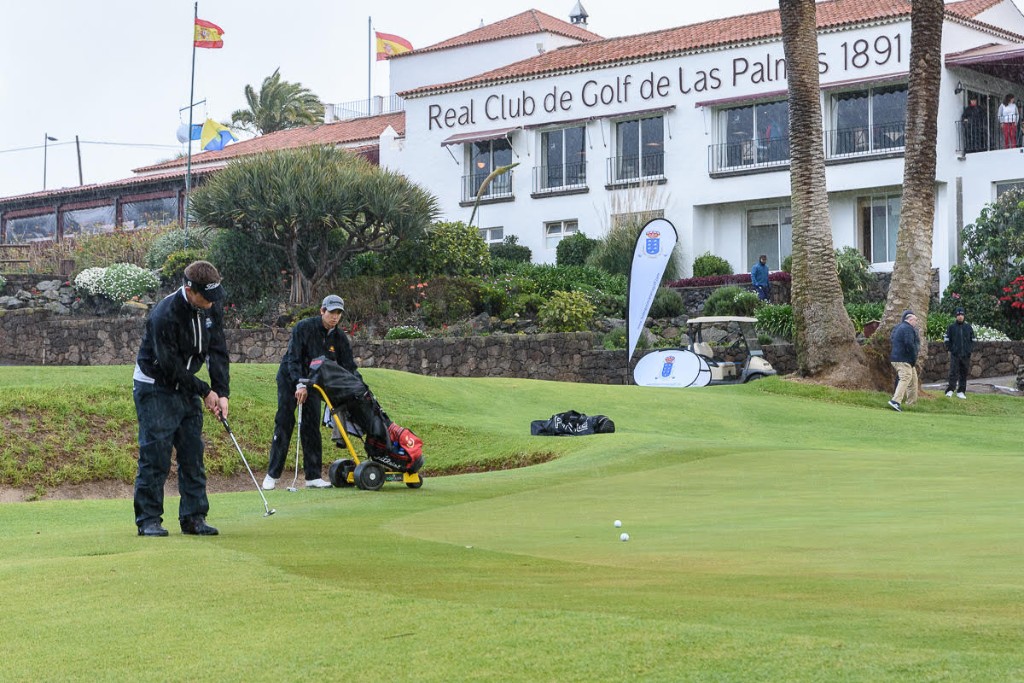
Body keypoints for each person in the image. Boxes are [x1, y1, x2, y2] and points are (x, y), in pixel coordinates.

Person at [133, 260, 229, 537]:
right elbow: (169, 367)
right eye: (206, 297)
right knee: (156, 454)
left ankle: (194, 517)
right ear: (190, 289)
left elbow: (218, 351)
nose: (212, 302)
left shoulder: (210, 307)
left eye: (214, 297)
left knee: (192, 453)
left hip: (186, 385)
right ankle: (149, 520)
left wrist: (221, 392)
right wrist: (205, 391)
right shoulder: (165, 314)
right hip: (155, 386)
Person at [263, 294, 356, 490]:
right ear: (322, 311)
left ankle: (313, 477)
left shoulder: (339, 337)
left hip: (314, 384)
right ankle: (272, 475)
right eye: (332, 312)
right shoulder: (303, 328)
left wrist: (358, 386)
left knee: (311, 426)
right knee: (284, 422)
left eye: (339, 313)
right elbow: (293, 359)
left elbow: (348, 366)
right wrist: (299, 384)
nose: (335, 317)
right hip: (290, 379)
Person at [887, 310, 920, 413]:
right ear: (910, 320)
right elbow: (909, 344)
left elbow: (892, 339)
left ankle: (911, 404)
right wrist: (913, 355)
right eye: (915, 320)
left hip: (901, 359)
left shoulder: (899, 327)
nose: (916, 322)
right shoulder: (908, 328)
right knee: (905, 378)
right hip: (903, 359)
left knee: (913, 380)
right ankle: (895, 401)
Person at [943, 306, 975, 399]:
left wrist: (969, 350)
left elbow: (973, 340)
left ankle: (961, 391)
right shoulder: (951, 327)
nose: (960, 316)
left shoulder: (968, 327)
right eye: (958, 315)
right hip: (955, 354)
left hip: (965, 355)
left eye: (962, 315)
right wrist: (952, 349)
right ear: (956, 316)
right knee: (953, 372)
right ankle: (950, 390)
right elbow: (947, 340)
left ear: (964, 316)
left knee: (963, 373)